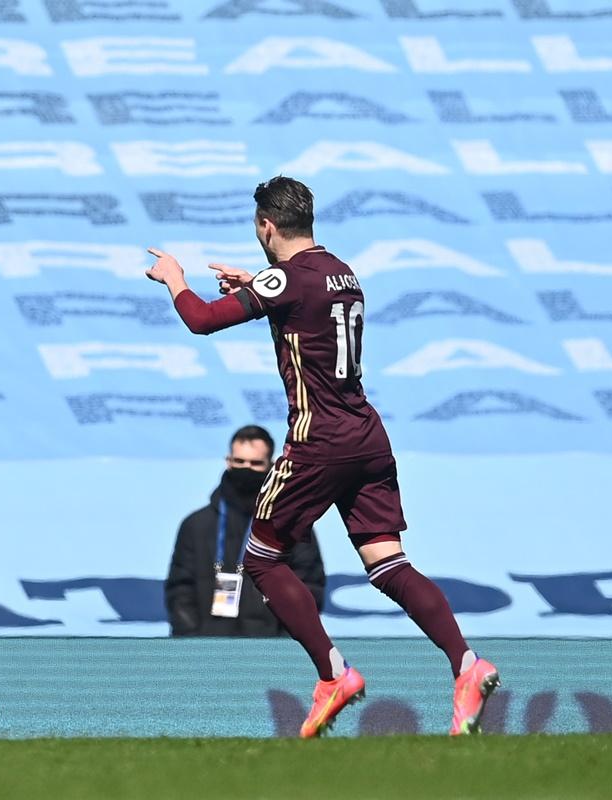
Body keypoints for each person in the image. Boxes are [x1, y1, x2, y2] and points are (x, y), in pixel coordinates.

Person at [144, 176, 499, 738]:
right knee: (388, 562)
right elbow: (298, 297)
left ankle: (333, 674)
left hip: (318, 441)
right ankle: (466, 663)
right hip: (367, 434)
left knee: (260, 559)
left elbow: (202, 319)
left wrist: (175, 279)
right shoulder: (343, 271)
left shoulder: (285, 279)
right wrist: (256, 281)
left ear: (266, 226)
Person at [165, 425, 326, 636]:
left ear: (270, 465)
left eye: (255, 463)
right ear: (228, 461)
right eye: (239, 461)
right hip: (206, 653)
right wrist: (193, 642)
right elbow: (179, 590)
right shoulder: (196, 525)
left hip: (269, 655)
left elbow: (308, 590)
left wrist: (284, 646)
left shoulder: (291, 526)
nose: (246, 468)